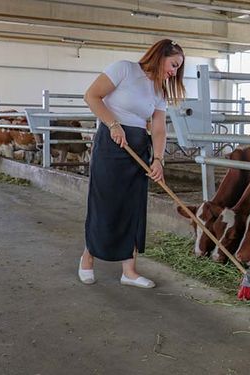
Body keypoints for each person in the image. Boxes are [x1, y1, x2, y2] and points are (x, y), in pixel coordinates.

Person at [78, 39, 186, 288]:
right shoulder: (124, 69)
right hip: (112, 143)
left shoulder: (159, 90)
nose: (174, 72)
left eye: (178, 68)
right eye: (174, 65)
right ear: (161, 55)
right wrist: (113, 124)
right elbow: (92, 96)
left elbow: (158, 129)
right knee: (105, 202)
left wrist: (159, 159)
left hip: (138, 146)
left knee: (133, 208)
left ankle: (129, 271)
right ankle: (87, 259)